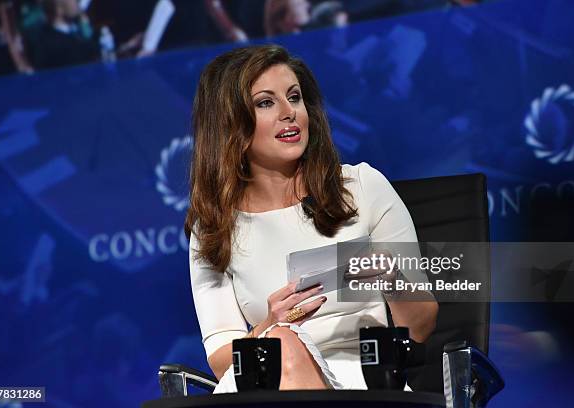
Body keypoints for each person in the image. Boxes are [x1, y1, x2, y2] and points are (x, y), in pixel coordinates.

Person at [185, 44, 438, 392]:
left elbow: (421, 327)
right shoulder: (213, 226)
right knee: (284, 344)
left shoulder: (363, 188)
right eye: (265, 102)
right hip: (266, 377)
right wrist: (269, 327)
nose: (289, 113)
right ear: (230, 124)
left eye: (294, 97)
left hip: (364, 380)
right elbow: (220, 356)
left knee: (285, 345)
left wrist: (392, 278)